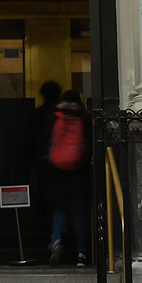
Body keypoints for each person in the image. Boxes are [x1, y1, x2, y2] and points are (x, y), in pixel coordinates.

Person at [44, 89, 93, 266]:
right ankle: (81, 253)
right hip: (78, 170)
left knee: (59, 208)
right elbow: (91, 143)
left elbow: (45, 141)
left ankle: (56, 240)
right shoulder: (84, 118)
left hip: (56, 170)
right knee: (79, 211)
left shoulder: (54, 117)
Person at [25, 80, 64, 262]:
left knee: (43, 192)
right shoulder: (62, 114)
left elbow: (29, 138)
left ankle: (44, 224)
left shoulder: (38, 114)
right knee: (58, 197)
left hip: (43, 160)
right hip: (62, 162)